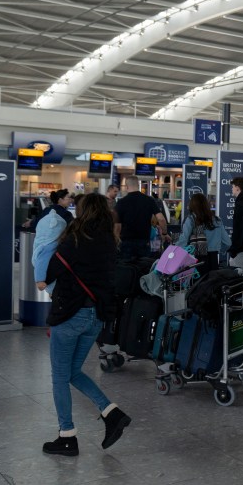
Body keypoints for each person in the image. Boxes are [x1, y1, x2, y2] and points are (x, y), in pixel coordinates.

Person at [39, 194, 131, 456]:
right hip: (95, 317)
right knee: (72, 372)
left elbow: (50, 272)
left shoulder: (75, 238)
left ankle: (66, 436)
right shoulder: (109, 240)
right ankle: (111, 413)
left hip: (70, 314)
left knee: (59, 376)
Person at [114, 176, 168, 260]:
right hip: (144, 242)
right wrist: (164, 233)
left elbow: (117, 226)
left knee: (126, 268)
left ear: (126, 186)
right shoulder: (149, 200)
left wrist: (116, 241)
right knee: (143, 268)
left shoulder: (121, 202)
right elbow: (161, 219)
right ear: (138, 185)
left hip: (126, 242)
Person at [32, 189, 75, 293]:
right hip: (58, 247)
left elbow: (35, 224)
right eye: (68, 198)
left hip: (39, 244)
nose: (70, 200)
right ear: (60, 199)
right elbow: (72, 230)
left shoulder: (46, 210)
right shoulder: (66, 214)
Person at [176, 193, 231, 273]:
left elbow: (183, 240)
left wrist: (174, 251)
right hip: (213, 260)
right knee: (211, 283)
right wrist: (217, 249)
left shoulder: (191, 219)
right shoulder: (217, 220)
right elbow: (228, 243)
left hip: (196, 260)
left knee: (197, 284)